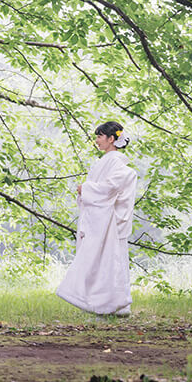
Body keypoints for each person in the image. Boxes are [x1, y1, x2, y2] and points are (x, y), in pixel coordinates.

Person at [56, 121, 138, 316]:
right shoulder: (107, 160)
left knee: (109, 261)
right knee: (105, 262)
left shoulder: (116, 162)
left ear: (111, 139)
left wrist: (86, 189)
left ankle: (110, 304)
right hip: (99, 217)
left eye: (100, 136)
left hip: (107, 219)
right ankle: (105, 304)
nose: (97, 141)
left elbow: (112, 187)